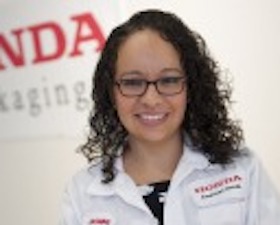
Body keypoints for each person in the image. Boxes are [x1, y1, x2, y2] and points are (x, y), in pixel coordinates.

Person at [60, 9, 280, 225]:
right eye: (133, 82)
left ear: (191, 87)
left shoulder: (243, 170)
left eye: (168, 80)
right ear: (111, 92)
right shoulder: (82, 194)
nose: (151, 99)